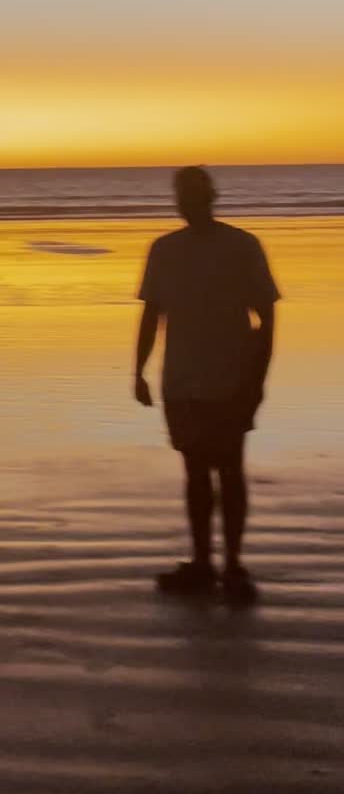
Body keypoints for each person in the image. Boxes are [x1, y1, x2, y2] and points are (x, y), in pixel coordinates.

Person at [134, 166, 279, 605]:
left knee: (230, 471)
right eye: (182, 194)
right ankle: (203, 563)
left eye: (195, 193)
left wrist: (256, 378)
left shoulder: (242, 245)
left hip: (231, 379)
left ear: (211, 197)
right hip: (181, 380)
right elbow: (151, 315)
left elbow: (266, 317)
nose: (188, 202)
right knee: (196, 473)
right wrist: (136, 370)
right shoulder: (164, 250)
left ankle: (232, 564)